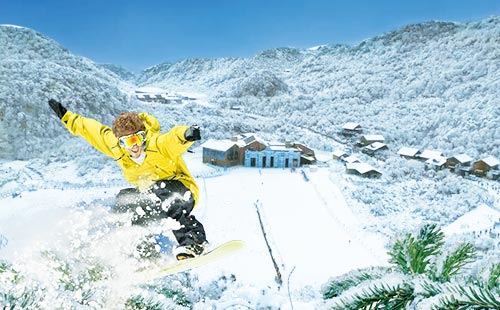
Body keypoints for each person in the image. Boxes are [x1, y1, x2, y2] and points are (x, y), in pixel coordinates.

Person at [48, 99, 207, 260]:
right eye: (127, 141)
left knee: (162, 189)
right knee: (125, 199)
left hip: (182, 192)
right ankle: (144, 252)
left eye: (137, 139)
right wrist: (66, 117)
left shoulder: (157, 145)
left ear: (144, 136)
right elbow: (92, 130)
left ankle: (194, 241)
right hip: (152, 196)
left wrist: (186, 134)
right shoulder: (117, 149)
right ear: (119, 142)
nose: (134, 146)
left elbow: (172, 139)